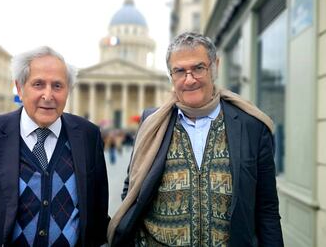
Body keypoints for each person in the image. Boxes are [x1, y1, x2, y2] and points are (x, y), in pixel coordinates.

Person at [107, 32, 283, 246]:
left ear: (214, 67)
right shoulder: (151, 124)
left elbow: (267, 210)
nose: (189, 79)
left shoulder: (251, 126)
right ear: (171, 75)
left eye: (198, 68)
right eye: (180, 71)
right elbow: (132, 190)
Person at [0, 46, 109, 247]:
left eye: (57, 86)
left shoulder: (88, 136)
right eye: (38, 84)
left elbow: (97, 217)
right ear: (19, 88)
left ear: (68, 91)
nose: (48, 95)